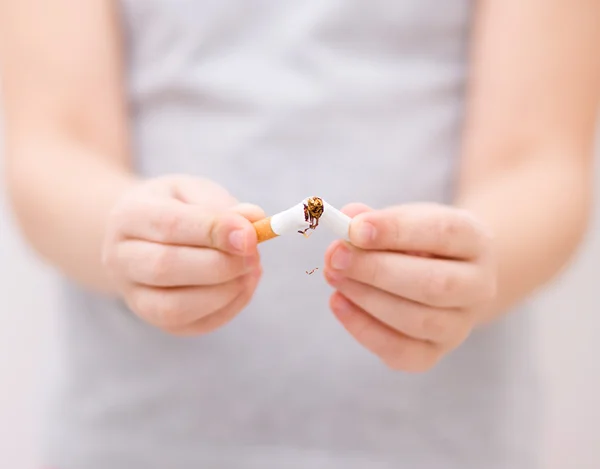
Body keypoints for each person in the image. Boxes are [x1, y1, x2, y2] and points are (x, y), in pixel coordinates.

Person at [1, 1, 598, 468]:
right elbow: (51, 150)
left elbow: (540, 163)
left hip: (442, 447)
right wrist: (134, 237)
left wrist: (467, 270)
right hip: (132, 441)